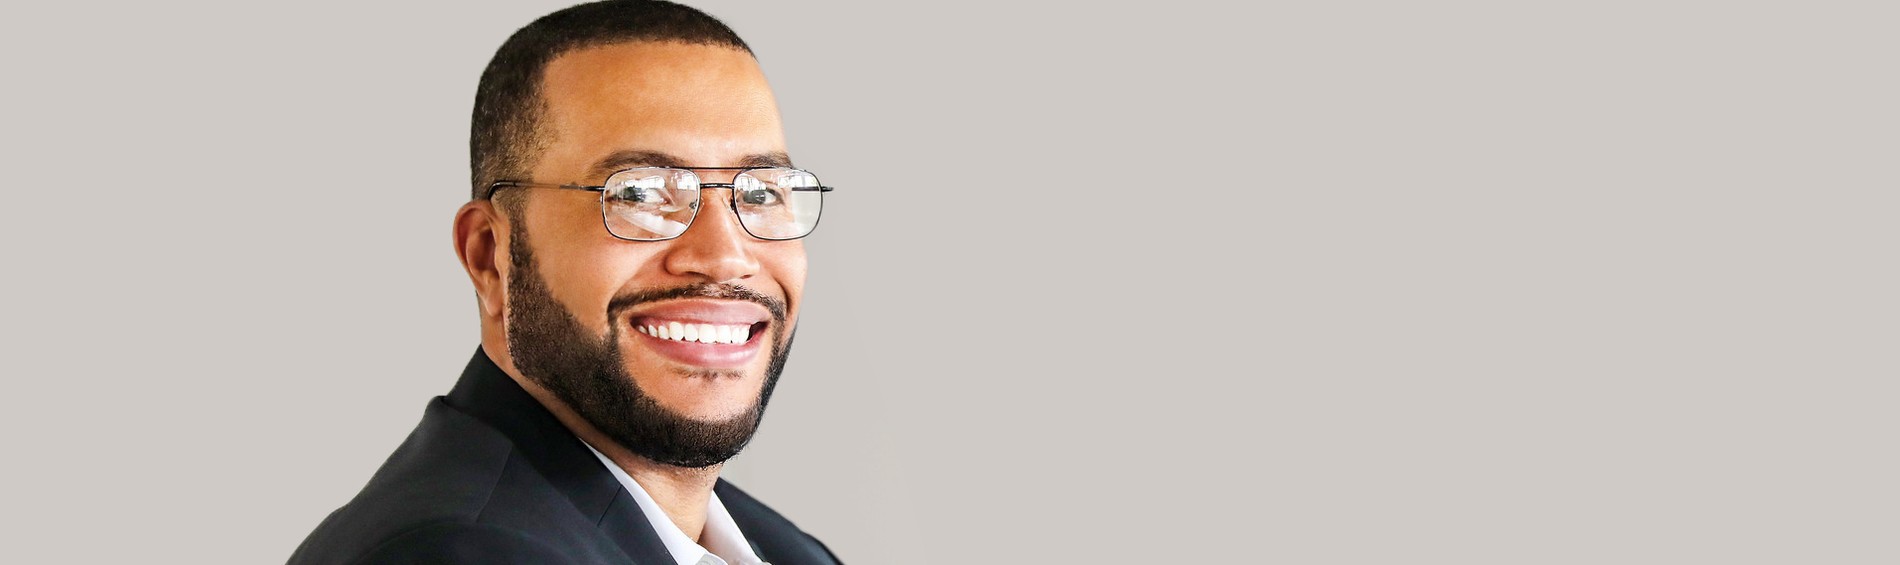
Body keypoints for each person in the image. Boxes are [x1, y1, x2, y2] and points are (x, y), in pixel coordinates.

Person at [288, 1, 840, 563]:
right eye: (639, 195)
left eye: (761, 193)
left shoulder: (785, 551)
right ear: (491, 256)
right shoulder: (457, 551)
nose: (724, 257)